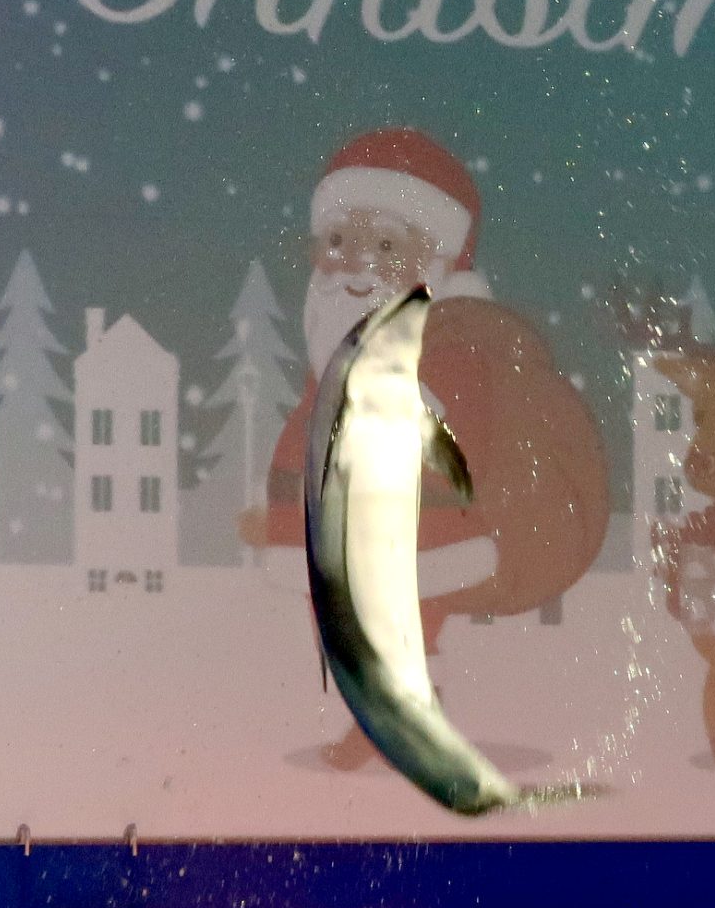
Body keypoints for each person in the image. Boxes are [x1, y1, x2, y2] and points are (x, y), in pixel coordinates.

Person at [239, 127, 609, 769]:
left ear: (435, 262)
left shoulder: (454, 340)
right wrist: (281, 512)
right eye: (337, 242)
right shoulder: (333, 344)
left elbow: (446, 423)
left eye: (386, 246)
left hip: (419, 521)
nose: (356, 264)